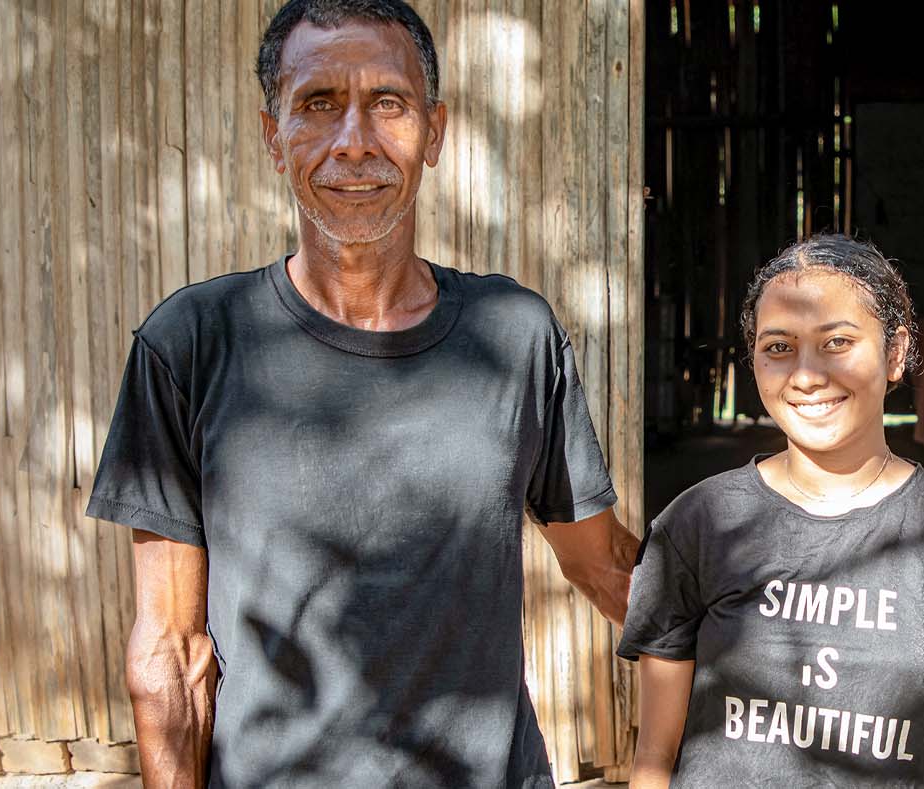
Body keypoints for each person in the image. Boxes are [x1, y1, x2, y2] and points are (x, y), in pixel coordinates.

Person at [85, 1, 639, 785]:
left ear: (434, 132)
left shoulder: (513, 336)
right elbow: (171, 651)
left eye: (388, 103)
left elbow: (602, 565)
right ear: (275, 137)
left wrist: (763, 629)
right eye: (318, 104)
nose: (354, 142)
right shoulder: (191, 343)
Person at [618, 235, 924, 788]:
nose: (807, 375)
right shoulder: (697, 523)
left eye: (837, 342)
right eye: (778, 348)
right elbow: (654, 756)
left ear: (894, 354)